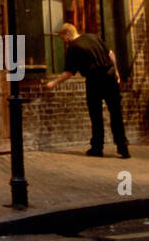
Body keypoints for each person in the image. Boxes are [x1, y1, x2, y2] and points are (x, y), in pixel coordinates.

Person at [45, 22, 129, 158]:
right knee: (116, 113)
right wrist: (117, 71)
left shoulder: (74, 47)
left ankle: (97, 147)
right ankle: (123, 147)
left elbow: (69, 72)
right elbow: (111, 54)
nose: (64, 42)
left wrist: (53, 83)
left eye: (63, 38)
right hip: (110, 75)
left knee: (96, 115)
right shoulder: (93, 36)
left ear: (68, 34)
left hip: (94, 79)